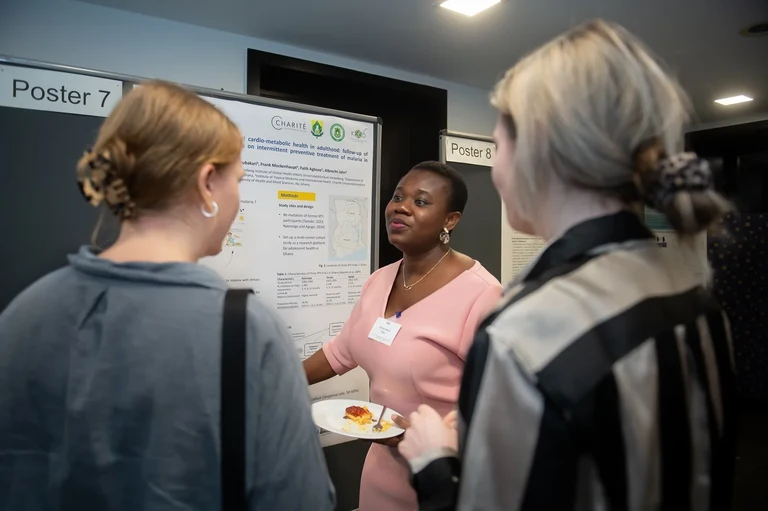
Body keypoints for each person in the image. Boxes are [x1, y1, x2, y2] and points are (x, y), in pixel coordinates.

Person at [398, 19, 736, 510]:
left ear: (539, 153)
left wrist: (435, 464)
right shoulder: (693, 292)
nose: (495, 167)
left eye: (501, 142)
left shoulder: (524, 335)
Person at [0, 81, 335, 510]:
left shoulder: (26, 311)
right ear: (207, 183)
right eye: (238, 179)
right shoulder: (246, 332)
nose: (238, 195)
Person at [303, 161, 503, 511]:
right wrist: (276, 376)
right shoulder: (379, 280)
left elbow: (498, 405)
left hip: (441, 478)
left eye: (421, 202)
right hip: (381, 472)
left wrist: (421, 435)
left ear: (450, 220)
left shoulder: (482, 295)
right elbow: (340, 352)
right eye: (398, 197)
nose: (401, 207)